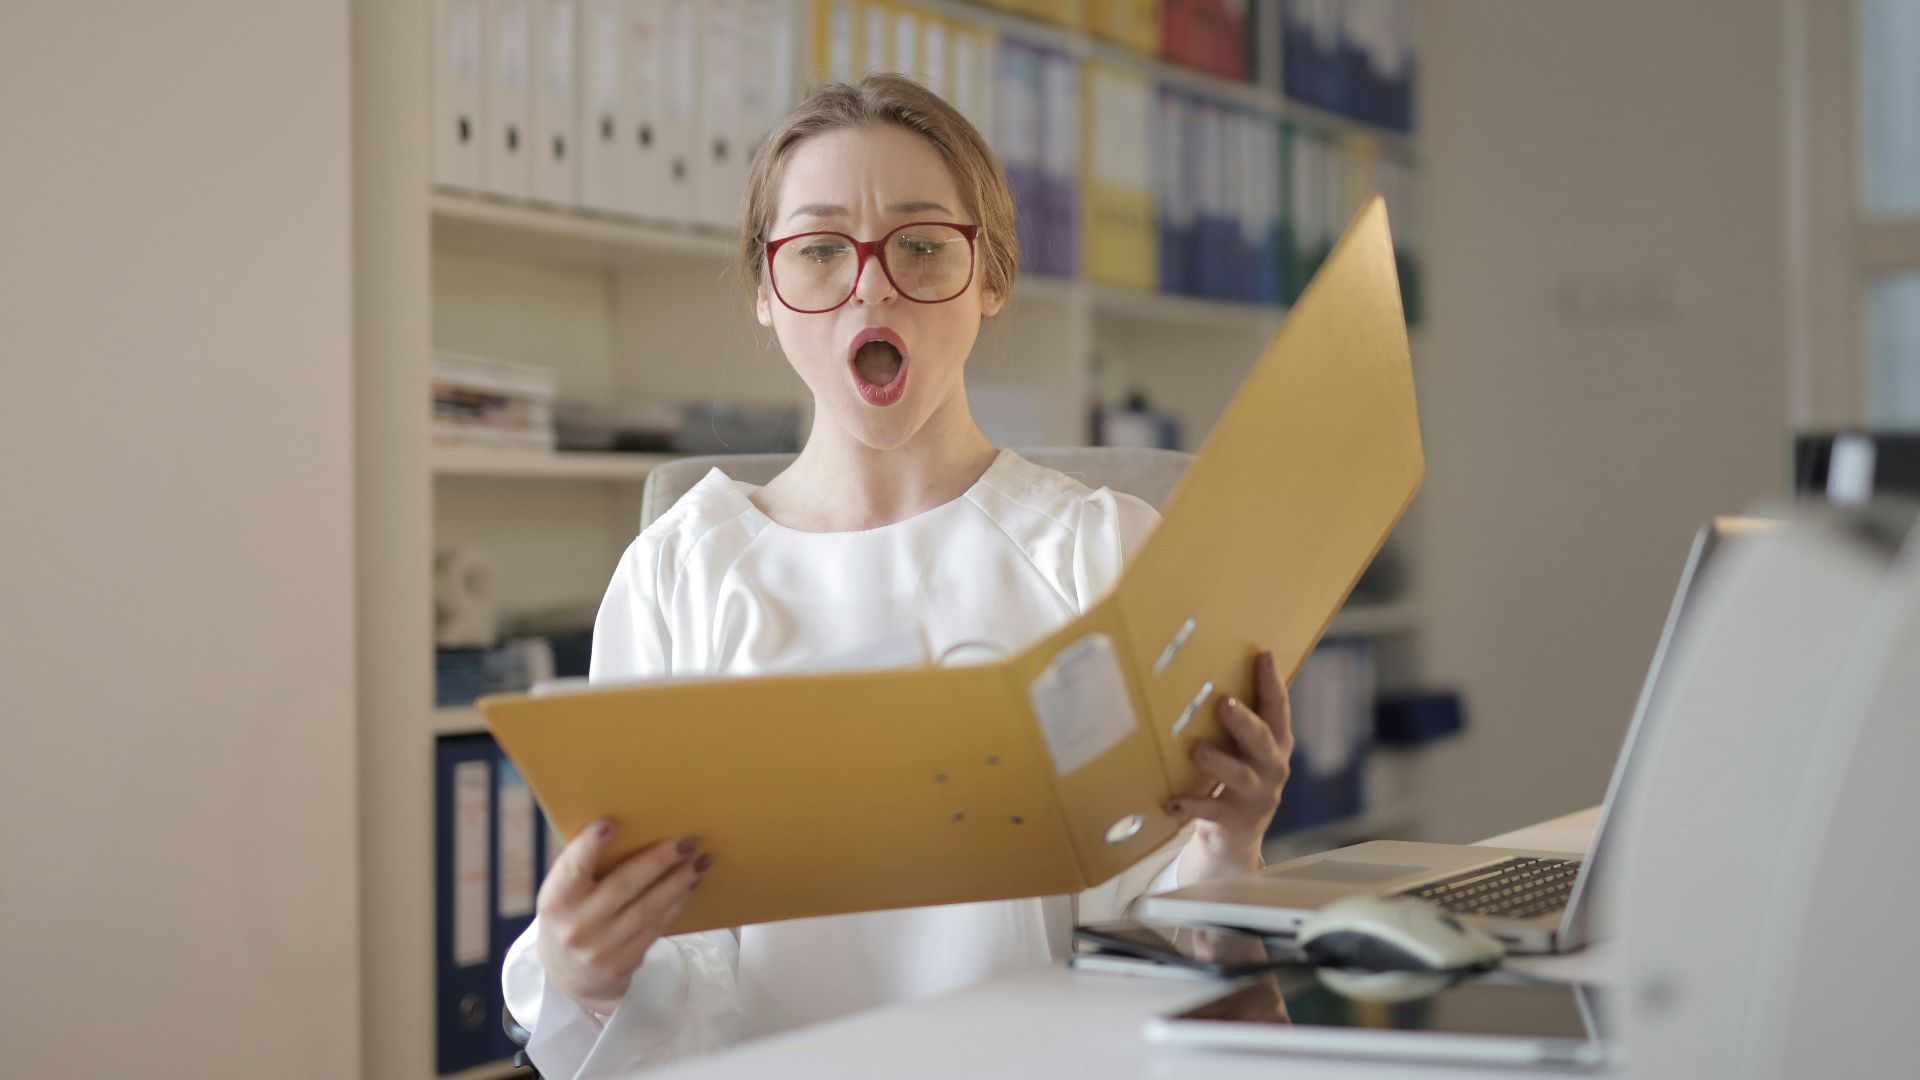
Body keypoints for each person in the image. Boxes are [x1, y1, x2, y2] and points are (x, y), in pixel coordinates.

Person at [502, 74, 1296, 1078]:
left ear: (991, 277)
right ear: (765, 288)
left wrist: (1231, 847)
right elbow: (666, 974)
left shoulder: (1103, 550)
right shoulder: (680, 570)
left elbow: (1183, 970)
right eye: (821, 249)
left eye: (921, 246)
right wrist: (586, 968)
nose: (870, 286)